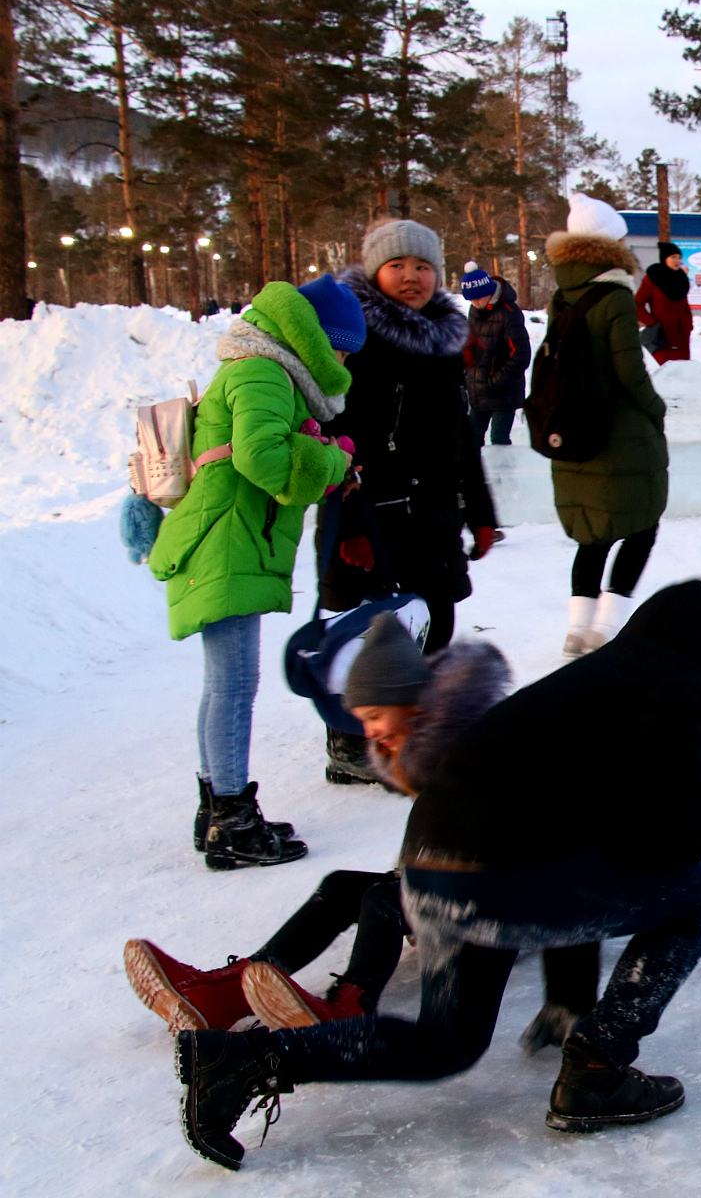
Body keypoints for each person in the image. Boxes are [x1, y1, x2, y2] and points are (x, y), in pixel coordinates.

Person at [173, 582, 701, 1170]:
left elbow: (578, 842)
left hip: (431, 868)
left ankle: (240, 1059)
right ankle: (597, 1067)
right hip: (502, 871)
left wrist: (568, 995)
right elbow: (677, 835)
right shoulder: (684, 683)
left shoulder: (602, 676)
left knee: (444, 1044)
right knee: (698, 892)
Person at [124, 619, 601, 1053]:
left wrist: (426, 889)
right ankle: (226, 995)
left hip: (523, 898)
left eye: (374, 714)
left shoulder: (476, 748)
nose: (368, 732)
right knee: (341, 886)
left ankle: (353, 1006)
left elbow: (521, 839)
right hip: (476, 879)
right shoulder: (430, 747)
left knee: (384, 899)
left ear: (411, 704)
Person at [147, 276, 360, 866]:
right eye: (340, 350)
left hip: (228, 536)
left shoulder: (264, 370)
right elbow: (262, 456)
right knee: (235, 684)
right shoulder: (261, 371)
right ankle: (232, 822)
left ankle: (216, 808)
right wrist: (334, 457)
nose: (342, 363)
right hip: (227, 540)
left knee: (224, 682)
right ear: (314, 339)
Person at [324, 218, 499, 784]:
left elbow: (459, 439)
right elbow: (334, 438)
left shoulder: (445, 341)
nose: (411, 277)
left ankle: (411, 739)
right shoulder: (354, 340)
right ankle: (353, 745)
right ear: (374, 270)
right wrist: (348, 522)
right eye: (397, 265)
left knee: (436, 627)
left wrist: (481, 512)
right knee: (371, 639)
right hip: (373, 517)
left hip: (432, 515)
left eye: (423, 266)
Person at [545, 193, 669, 658]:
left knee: (593, 533)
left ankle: (577, 629)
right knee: (643, 524)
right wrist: (655, 408)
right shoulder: (614, 295)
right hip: (617, 434)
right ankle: (609, 625)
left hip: (575, 430)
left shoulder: (564, 295)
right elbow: (628, 370)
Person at [458, 261, 531, 447]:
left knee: (499, 440)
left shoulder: (509, 313)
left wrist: (495, 382)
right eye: (471, 300)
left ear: (488, 291)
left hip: (502, 392)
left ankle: (504, 475)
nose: (474, 303)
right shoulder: (475, 310)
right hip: (478, 390)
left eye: (478, 298)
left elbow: (520, 356)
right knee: (471, 441)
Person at [637, 241, 695, 363]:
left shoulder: (681, 278)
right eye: (673, 257)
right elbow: (637, 303)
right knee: (664, 368)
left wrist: (688, 323)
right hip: (662, 332)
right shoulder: (653, 278)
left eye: (679, 258)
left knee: (681, 368)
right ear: (665, 258)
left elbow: (684, 304)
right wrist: (650, 322)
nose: (677, 261)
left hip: (681, 332)